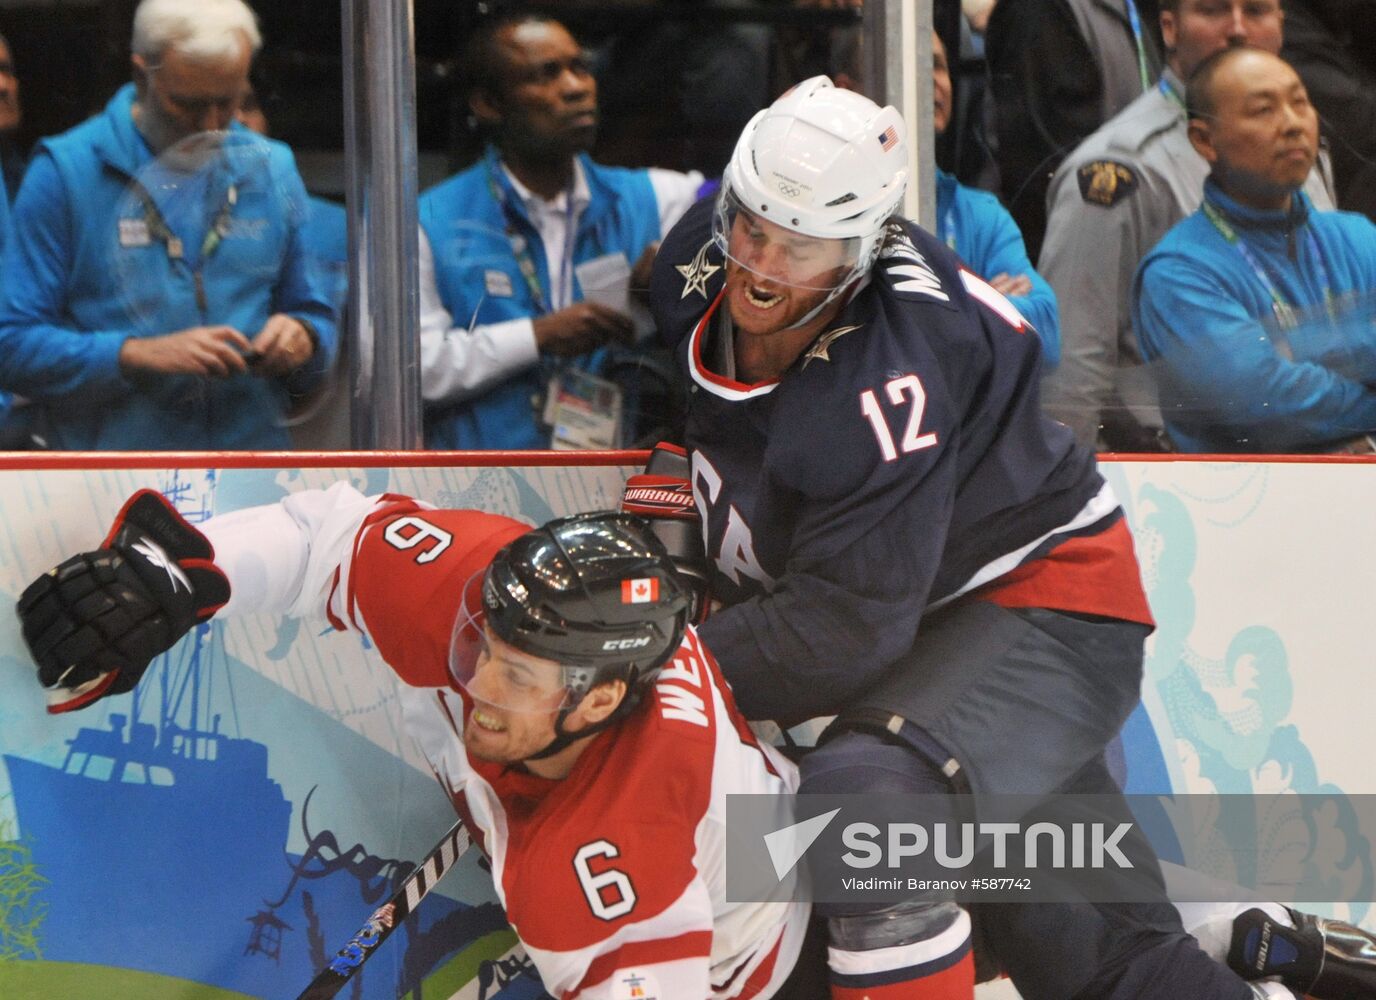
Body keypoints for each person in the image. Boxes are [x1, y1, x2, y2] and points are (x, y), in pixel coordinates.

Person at [16, 483, 1376, 999]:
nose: (478, 671)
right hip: (800, 822)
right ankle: (1251, 931)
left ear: (601, 702)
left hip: (784, 961)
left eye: (523, 670)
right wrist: (182, 571)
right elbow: (328, 535)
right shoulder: (492, 597)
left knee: (1089, 950)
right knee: (1056, 889)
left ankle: (1249, 952)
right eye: (489, 638)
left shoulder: (599, 860)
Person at [648, 75, 1282, 1000]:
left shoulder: (882, 384)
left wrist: (656, 667)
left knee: (866, 805)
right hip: (932, 623)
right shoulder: (694, 263)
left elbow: (843, 627)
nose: (760, 267)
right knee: (1095, 958)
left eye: (799, 248)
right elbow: (690, 393)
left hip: (1043, 605)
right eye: (750, 228)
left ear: (860, 251)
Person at [0, 0, 337, 451]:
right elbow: (11, 344)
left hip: (253, 471)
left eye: (229, 101)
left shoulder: (271, 167)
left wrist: (304, 336)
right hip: (112, 480)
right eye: (189, 105)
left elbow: (317, 316)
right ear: (142, 76)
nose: (213, 126)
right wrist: (134, 354)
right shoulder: (66, 173)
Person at [1037, 0, 1335, 451]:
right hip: (1182, 481)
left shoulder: (1304, 155)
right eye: (1214, 10)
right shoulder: (1119, 171)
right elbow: (1072, 370)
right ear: (1171, 28)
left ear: (1281, 25)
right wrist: (1071, 507)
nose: (1237, 29)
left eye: (1256, 11)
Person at [418, 9, 703, 451]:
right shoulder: (430, 220)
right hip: (470, 491)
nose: (576, 87)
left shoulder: (645, 197)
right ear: (488, 104)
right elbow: (415, 370)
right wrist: (537, 337)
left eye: (580, 67)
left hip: (601, 484)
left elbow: (736, 200)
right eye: (545, 74)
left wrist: (680, 257)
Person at [1133, 47, 1376, 454]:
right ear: (1204, 140)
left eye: (1300, 102)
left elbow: (1281, 383)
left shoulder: (1357, 235)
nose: (1293, 124)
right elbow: (1266, 406)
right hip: (1247, 506)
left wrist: (1292, 352)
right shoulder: (1178, 271)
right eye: (1264, 110)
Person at [983, 0, 1162, 259]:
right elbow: (1042, 167)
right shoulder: (1039, 11)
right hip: (1081, 252)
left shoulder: (1140, 8)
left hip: (1135, 238)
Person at [930, 30, 1060, 368]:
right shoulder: (837, 213)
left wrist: (947, 313)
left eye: (938, 66)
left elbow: (1046, 334)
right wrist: (985, 299)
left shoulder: (980, 213)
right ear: (851, 87)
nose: (930, 80)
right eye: (915, 64)